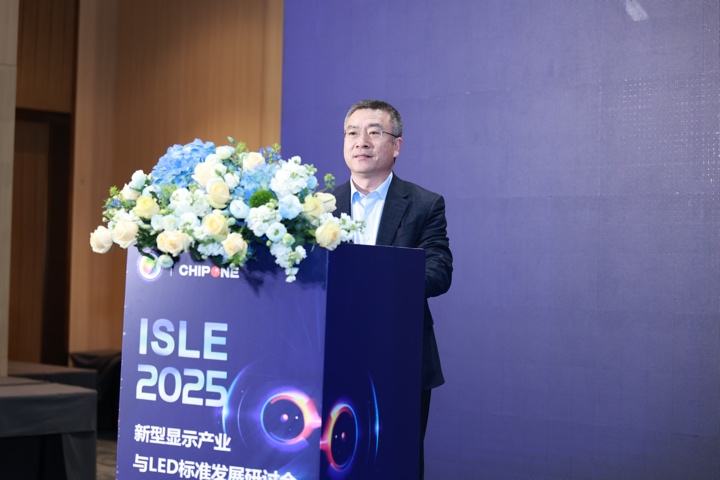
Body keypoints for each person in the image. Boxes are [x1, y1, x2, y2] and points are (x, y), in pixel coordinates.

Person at [332, 99, 453, 479]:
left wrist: (380, 283)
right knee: (331, 460)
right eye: (352, 133)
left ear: (396, 145)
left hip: (400, 356)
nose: (361, 141)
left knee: (396, 465)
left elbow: (439, 271)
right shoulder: (318, 205)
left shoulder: (424, 204)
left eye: (374, 132)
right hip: (330, 355)